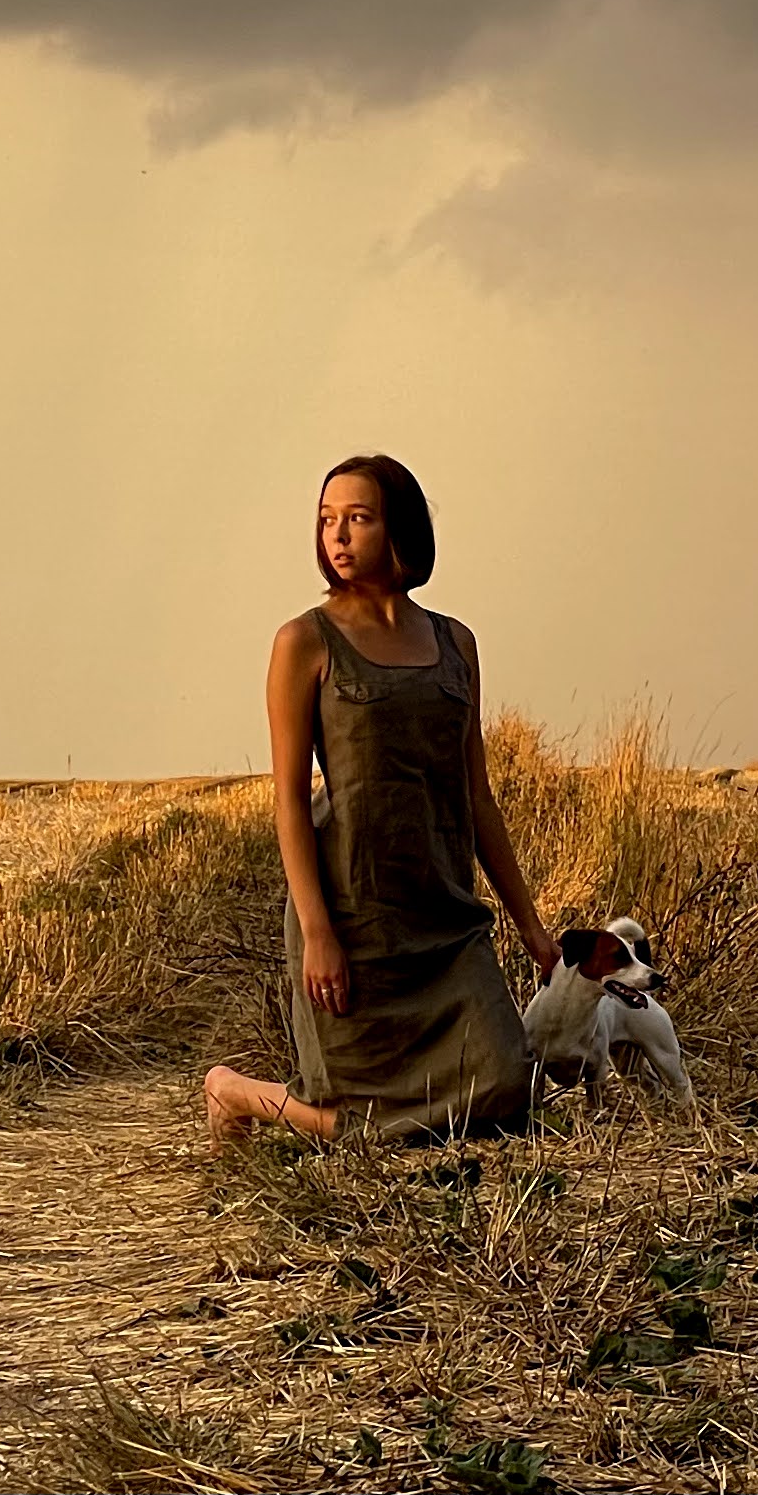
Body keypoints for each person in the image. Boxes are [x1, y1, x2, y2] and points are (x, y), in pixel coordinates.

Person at [204, 453, 561, 1150]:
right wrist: (317, 933)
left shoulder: (455, 642)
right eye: (326, 520)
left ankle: (261, 1095)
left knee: (506, 1091)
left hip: (445, 917)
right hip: (354, 917)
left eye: (357, 518)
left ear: (399, 527)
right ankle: (235, 1090)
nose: (337, 536)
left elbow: (476, 795)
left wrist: (529, 925)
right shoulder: (303, 641)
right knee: (364, 1126)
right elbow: (288, 803)